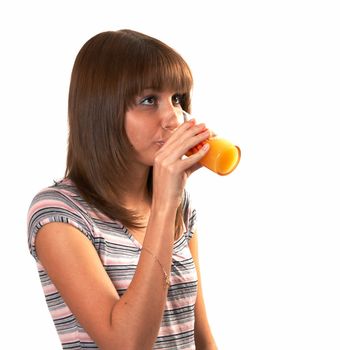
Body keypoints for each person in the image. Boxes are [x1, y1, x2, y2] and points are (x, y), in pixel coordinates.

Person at [27, 29, 217, 349]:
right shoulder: (58, 214)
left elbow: (200, 335)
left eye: (177, 99)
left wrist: (168, 201)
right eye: (148, 100)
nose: (173, 119)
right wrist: (164, 205)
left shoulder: (178, 204)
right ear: (102, 110)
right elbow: (126, 344)